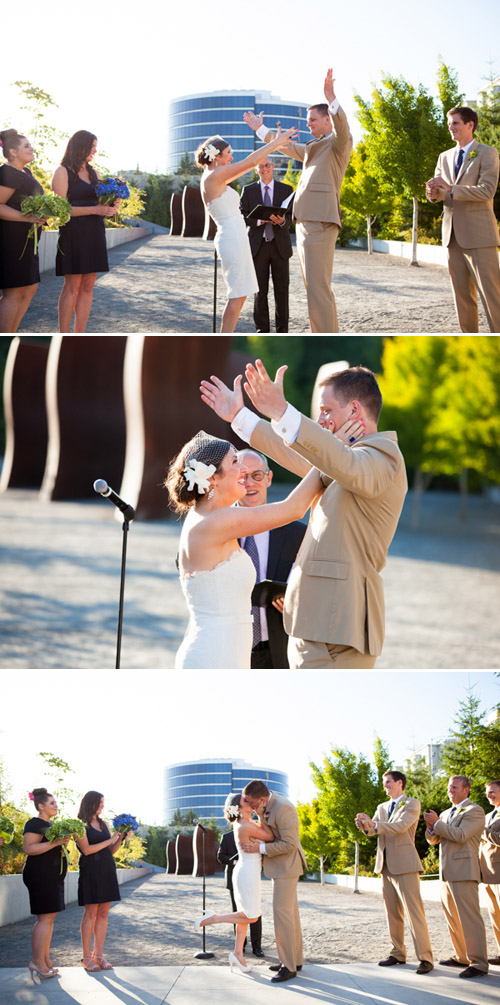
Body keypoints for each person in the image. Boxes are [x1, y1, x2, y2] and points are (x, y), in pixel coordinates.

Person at [201, 360, 407, 669]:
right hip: (314, 627)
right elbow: (297, 453)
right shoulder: (339, 458)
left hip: (339, 632)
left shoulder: (383, 455)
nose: (321, 420)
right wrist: (240, 417)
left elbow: (345, 463)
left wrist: (283, 411)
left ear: (354, 411)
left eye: (327, 411)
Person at [244, 69, 352, 333]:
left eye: (313, 119)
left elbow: (343, 127)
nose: (308, 124)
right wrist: (261, 129)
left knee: (318, 289)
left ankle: (326, 336)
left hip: (320, 222)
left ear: (328, 120)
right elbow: (284, 145)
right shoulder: (313, 149)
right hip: (304, 225)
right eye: (307, 120)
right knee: (312, 288)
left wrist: (331, 97)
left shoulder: (339, 144)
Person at [196, 125, 297, 333]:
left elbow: (248, 166)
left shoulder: (217, 175)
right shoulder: (213, 177)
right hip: (232, 239)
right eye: (229, 154)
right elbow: (251, 163)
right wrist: (275, 143)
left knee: (239, 296)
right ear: (216, 156)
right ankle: (223, 337)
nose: (231, 158)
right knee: (236, 295)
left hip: (237, 238)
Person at [426, 106, 500, 333]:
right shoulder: (444, 156)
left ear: (471, 125)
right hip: (452, 237)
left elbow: (487, 191)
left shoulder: (487, 153)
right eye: (449, 124)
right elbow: (441, 194)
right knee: (462, 299)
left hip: (480, 236)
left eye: (456, 123)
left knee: (492, 298)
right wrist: (433, 194)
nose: (451, 127)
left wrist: (451, 188)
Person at [355, 770, 433, 974]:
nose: (385, 785)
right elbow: (373, 830)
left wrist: (374, 825)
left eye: (388, 782)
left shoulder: (412, 804)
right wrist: (364, 825)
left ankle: (425, 958)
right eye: (384, 783)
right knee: (392, 914)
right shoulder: (381, 807)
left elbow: (400, 826)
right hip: (385, 866)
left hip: (406, 865)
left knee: (414, 913)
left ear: (400, 783)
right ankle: (398, 953)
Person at [236, 448, 306, 668]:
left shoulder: (297, 533)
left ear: (268, 478)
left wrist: (295, 599)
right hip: (231, 645)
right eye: (242, 476)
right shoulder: (216, 525)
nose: (250, 483)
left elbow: (314, 580)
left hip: (280, 648)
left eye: (257, 475)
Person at [196, 792, 274, 975]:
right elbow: (270, 836)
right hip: (247, 873)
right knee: (251, 916)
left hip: (247, 872)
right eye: (246, 801)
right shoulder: (246, 825)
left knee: (244, 918)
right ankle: (212, 918)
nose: (250, 802)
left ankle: (238, 954)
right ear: (239, 809)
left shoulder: (245, 824)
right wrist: (262, 813)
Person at [52, 131, 118, 333]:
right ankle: (64, 334)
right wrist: (95, 210)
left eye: (95, 147)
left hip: (95, 232)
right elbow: (60, 209)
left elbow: (99, 204)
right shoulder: (62, 172)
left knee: (88, 285)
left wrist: (109, 207)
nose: (94, 151)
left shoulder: (95, 174)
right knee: (71, 286)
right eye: (91, 146)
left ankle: (79, 333)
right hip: (73, 233)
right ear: (79, 146)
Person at [241, 779, 306, 984]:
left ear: (261, 799)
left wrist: (259, 849)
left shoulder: (284, 808)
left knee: (282, 915)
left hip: (287, 867)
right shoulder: (264, 806)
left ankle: (288, 967)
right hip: (279, 867)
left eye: (251, 803)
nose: (250, 807)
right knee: (290, 915)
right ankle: (294, 960)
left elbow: (289, 843)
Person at [424, 775, 488, 979]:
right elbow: (434, 840)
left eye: (454, 787)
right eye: (449, 787)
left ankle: (478, 963)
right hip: (446, 872)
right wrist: (431, 826)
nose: (450, 790)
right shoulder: (444, 813)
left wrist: (438, 824)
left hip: (464, 870)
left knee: (470, 918)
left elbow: (461, 836)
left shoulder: (475, 811)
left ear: (466, 790)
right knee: (452, 917)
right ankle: (461, 956)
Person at [22, 787, 73, 981]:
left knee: (48, 920)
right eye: (51, 803)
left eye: (55, 803)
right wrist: (55, 842)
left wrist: (61, 842)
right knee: (43, 920)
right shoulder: (35, 823)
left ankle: (44, 960)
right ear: (41, 806)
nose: (56, 806)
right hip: (40, 876)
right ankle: (37, 961)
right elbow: (29, 848)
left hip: (52, 876)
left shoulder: (51, 825)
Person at [0, 129, 47, 333]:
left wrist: (43, 213)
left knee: (29, 288)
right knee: (14, 291)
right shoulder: (7, 172)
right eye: (26, 146)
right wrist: (27, 217)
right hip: (11, 240)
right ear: (12, 151)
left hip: (28, 240)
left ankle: (11, 332)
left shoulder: (25, 172)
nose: (31, 148)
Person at [76, 790, 128, 972]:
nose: (102, 806)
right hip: (90, 871)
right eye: (99, 803)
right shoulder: (79, 825)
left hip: (107, 870)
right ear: (90, 803)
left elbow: (111, 851)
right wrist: (111, 839)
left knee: (104, 913)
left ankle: (99, 955)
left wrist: (120, 838)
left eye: (103, 803)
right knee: (90, 913)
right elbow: (87, 850)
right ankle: (86, 956)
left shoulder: (104, 824)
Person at [239, 159, 294, 332]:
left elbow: (292, 217)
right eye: (261, 166)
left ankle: (282, 331)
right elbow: (241, 216)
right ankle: (262, 330)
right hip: (258, 246)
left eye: (267, 165)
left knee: (282, 291)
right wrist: (258, 220)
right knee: (259, 292)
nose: (265, 169)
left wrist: (282, 221)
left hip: (280, 247)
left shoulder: (287, 190)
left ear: (273, 167)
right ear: (256, 170)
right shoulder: (248, 191)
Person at [217, 827, 263, 956]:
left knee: (256, 912)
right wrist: (234, 861)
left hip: (251, 878)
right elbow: (220, 856)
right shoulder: (226, 837)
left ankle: (257, 947)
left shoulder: (253, 835)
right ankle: (240, 945)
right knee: (237, 913)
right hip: (234, 878)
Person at [479, 778, 500, 965]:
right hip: (487, 873)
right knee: (495, 916)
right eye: (487, 792)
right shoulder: (487, 815)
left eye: (492, 791)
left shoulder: (485, 822)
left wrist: (483, 831)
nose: (489, 795)